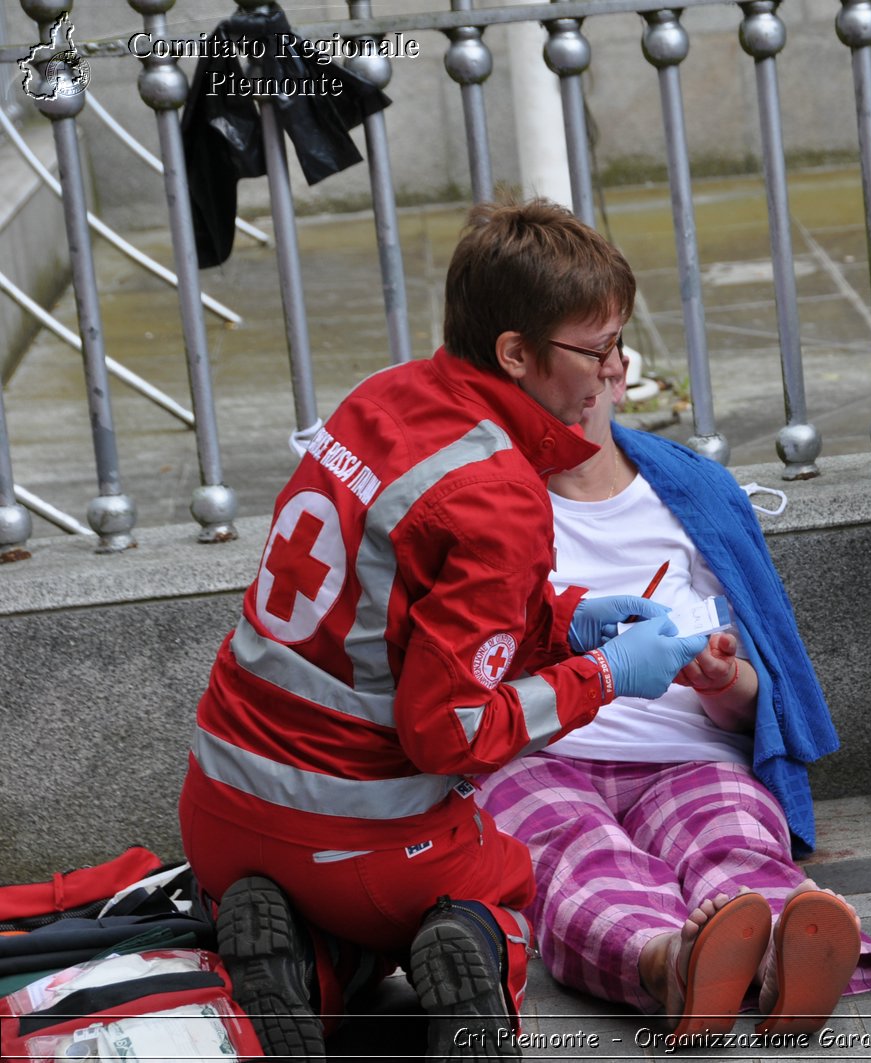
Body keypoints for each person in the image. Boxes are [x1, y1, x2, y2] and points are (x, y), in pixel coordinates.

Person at [178, 199, 711, 1060]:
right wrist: (607, 675)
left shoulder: (383, 398)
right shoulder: (499, 492)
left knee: (339, 912)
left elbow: (403, 608)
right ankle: (463, 971)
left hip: (219, 805)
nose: (616, 371)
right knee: (503, 875)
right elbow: (447, 732)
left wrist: (569, 620)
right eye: (598, 348)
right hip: (357, 831)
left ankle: (310, 970)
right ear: (515, 353)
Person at [477, 367, 871, 1039]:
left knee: (736, 839)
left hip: (687, 755)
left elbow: (758, 712)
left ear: (615, 375)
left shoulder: (690, 496)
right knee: (580, 857)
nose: (572, 406)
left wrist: (723, 681)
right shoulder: (485, 505)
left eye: (589, 378)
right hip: (540, 753)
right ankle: (668, 960)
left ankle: (788, 945)